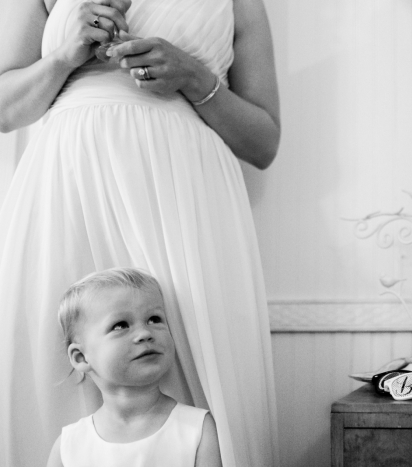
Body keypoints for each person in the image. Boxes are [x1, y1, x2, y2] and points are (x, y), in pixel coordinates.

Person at [0, 0, 280, 465]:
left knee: (207, 376)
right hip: (66, 188)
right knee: (50, 376)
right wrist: (65, 56)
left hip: (186, 197)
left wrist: (194, 78)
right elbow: (4, 110)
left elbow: (263, 143)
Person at [47, 268, 222, 467]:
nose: (145, 333)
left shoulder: (197, 428)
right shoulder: (69, 446)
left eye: (154, 319)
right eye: (120, 325)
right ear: (81, 357)